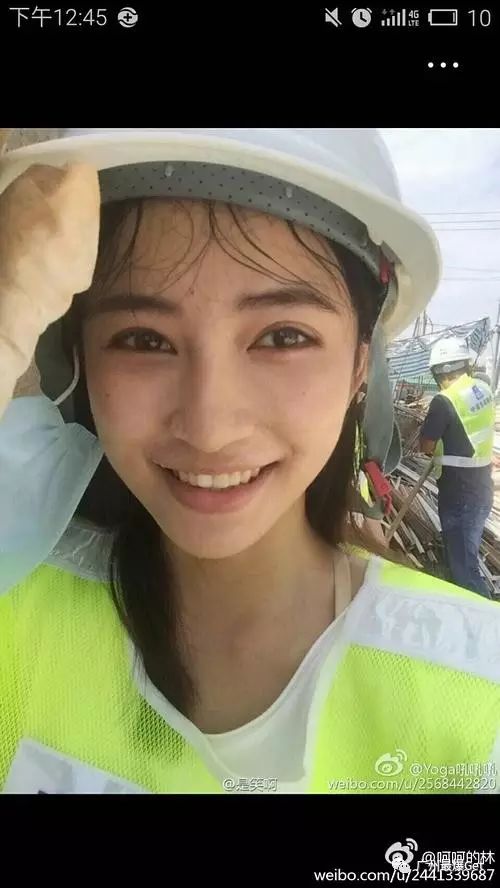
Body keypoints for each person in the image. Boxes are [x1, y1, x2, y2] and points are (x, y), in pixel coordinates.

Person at [0, 129, 499, 796]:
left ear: (360, 366)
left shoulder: (479, 697)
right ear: (79, 364)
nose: (210, 428)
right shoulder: (15, 603)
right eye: (143, 339)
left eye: (282, 336)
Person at [419, 337, 495, 600]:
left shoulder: (444, 400)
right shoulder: (483, 389)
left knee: (465, 569)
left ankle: (482, 614)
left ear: (439, 371)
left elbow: (426, 446)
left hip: (458, 493)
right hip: (481, 487)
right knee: (464, 554)